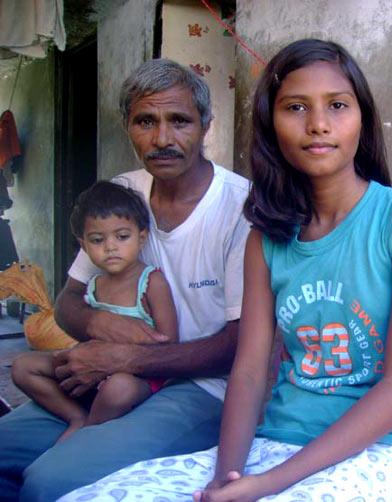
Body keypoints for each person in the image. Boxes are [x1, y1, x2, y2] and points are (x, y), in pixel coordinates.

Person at [59, 38, 392, 502]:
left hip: (386, 448)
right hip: (279, 437)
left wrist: (267, 484)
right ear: (270, 123)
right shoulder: (267, 235)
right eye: (296, 107)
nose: (318, 124)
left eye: (338, 106)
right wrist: (227, 477)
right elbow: (248, 371)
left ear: (362, 118)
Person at [0, 59, 251, 501]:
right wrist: (102, 328)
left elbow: (241, 345)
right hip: (107, 376)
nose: (162, 139)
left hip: (202, 390)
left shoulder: (241, 209)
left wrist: (126, 359)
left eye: (179, 121)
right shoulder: (124, 193)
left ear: (206, 124)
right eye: (145, 121)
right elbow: (69, 302)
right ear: (127, 126)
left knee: (49, 481)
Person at [11, 181, 179, 442]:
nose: (110, 247)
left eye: (122, 237)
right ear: (84, 245)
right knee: (24, 367)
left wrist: (125, 352)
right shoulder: (93, 285)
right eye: (98, 240)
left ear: (142, 237)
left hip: (137, 378)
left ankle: (87, 434)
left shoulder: (151, 282)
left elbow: (169, 342)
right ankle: (76, 417)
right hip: (91, 371)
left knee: (118, 389)